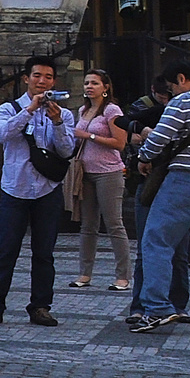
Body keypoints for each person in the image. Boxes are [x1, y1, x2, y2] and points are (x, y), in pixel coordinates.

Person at [0, 56, 75, 328]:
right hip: (15, 189)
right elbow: (1, 135)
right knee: (5, 250)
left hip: (47, 190)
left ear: (54, 81)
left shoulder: (63, 113)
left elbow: (66, 151)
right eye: (37, 76)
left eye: (48, 77)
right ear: (26, 79)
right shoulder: (9, 108)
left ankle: (40, 306)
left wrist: (57, 123)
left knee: (44, 252)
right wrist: (29, 110)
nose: (42, 81)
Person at [126, 60, 190, 333]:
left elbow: (158, 138)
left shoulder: (184, 101)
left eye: (171, 88)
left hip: (184, 179)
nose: (171, 93)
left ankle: (155, 308)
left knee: (156, 240)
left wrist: (143, 157)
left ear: (180, 78)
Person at [70, 69, 133, 293]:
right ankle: (84, 273)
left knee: (114, 224)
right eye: (87, 83)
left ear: (105, 87)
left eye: (95, 83)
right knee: (87, 226)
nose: (89, 87)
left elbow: (120, 143)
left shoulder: (112, 110)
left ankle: (123, 276)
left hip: (109, 173)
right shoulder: (83, 110)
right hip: (85, 173)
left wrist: (89, 136)